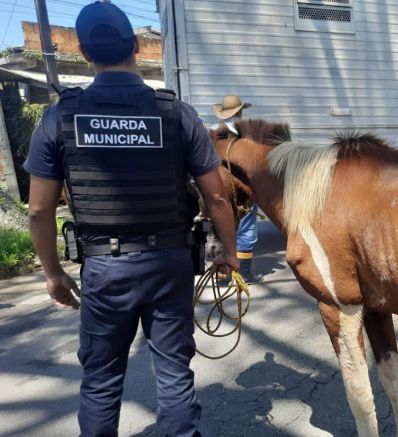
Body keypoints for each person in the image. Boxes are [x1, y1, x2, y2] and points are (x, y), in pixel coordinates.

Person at [23, 3, 239, 436]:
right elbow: (216, 196)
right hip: (169, 264)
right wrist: (229, 253)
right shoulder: (177, 114)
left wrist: (52, 274)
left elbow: (39, 209)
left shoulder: (60, 117)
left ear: (84, 52)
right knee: (174, 376)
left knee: (101, 382)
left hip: (105, 269)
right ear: (138, 47)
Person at [212, 95, 264, 283]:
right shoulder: (242, 135)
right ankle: (245, 273)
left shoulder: (212, 131)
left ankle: (222, 271)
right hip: (239, 190)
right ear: (239, 112)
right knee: (246, 227)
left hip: (214, 189)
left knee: (221, 227)